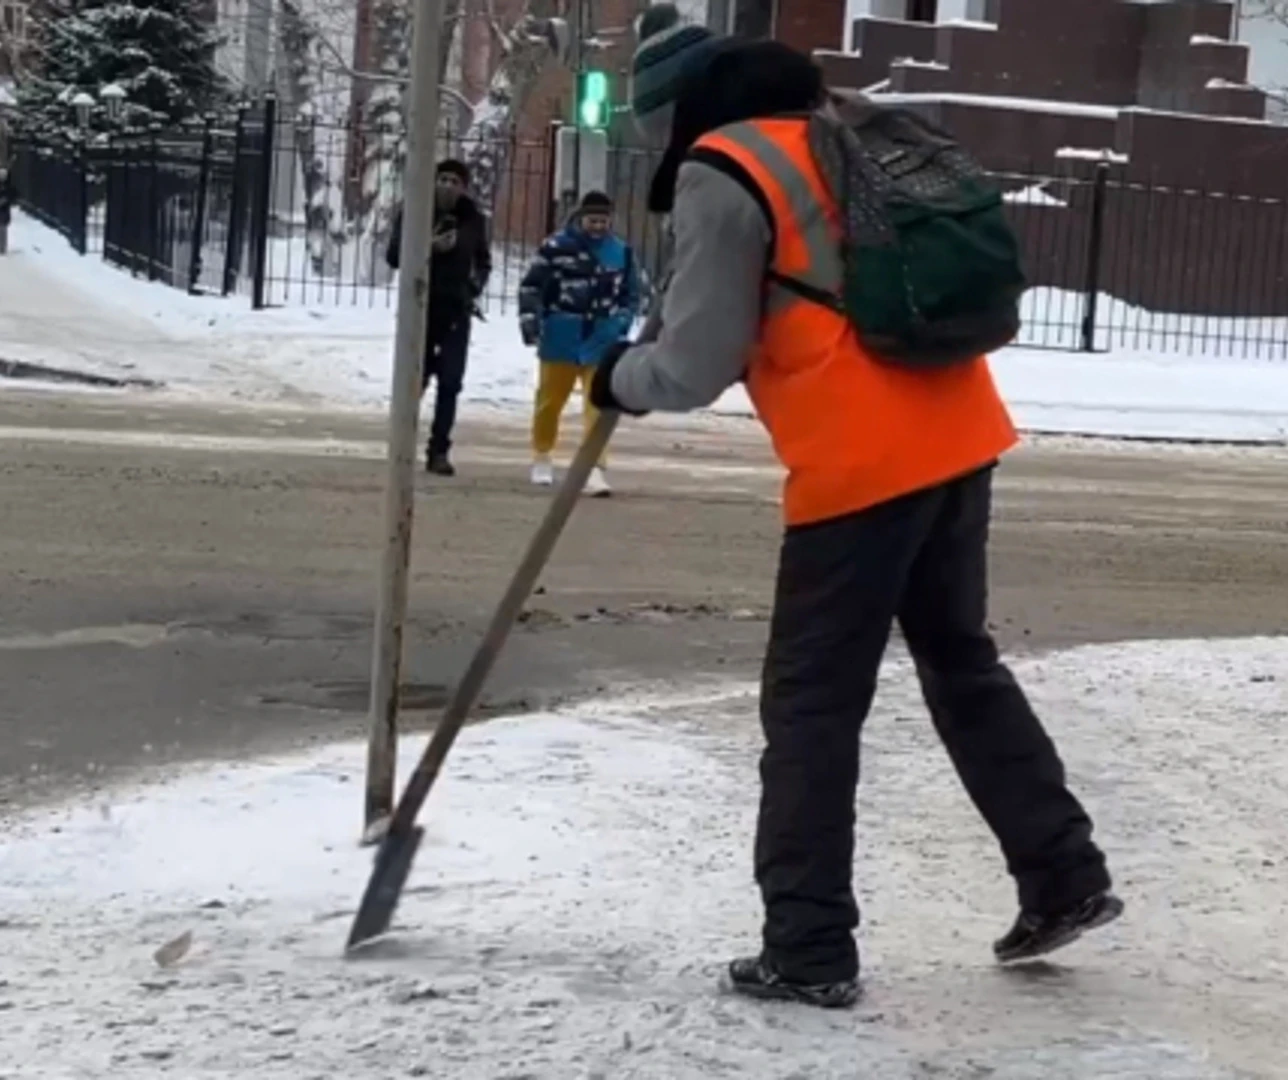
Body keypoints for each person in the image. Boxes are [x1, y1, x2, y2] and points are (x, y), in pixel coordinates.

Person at [590, 7, 1120, 1009]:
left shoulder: (723, 166)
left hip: (859, 464)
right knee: (962, 663)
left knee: (812, 708)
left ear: (679, 115)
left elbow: (696, 364)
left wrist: (621, 376)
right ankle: (1064, 874)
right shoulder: (838, 129)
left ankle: (808, 946)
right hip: (959, 431)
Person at [517, 190, 639, 497]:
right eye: (592, 219)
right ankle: (542, 455)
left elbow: (632, 293)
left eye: (603, 220)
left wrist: (622, 321)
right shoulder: (556, 247)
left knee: (598, 406)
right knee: (549, 401)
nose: (597, 226)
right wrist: (531, 322)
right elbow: (532, 285)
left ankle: (594, 467)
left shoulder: (621, 253)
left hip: (602, 337)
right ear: (580, 218)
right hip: (561, 334)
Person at [386, 159, 491, 476]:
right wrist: (427, 247)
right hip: (421, 307)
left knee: (450, 382)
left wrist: (473, 287)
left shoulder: (473, 220)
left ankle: (439, 450)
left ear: (464, 187)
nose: (448, 186)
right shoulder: (415, 211)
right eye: (442, 179)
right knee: (414, 380)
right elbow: (394, 256)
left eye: (454, 181)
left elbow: (483, 260)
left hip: (456, 310)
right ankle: (402, 445)